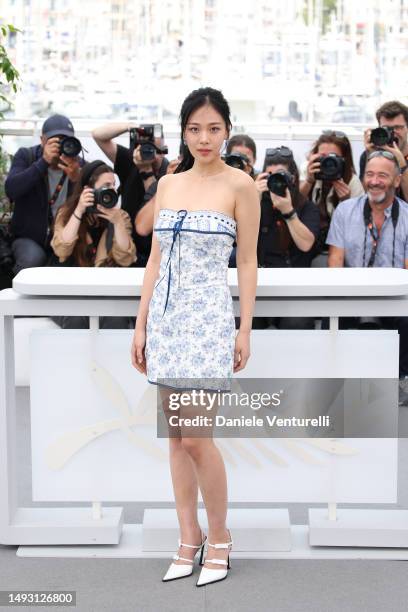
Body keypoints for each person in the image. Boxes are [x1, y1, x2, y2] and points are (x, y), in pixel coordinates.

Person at [130, 87, 259, 586]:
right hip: (165, 321)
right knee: (176, 440)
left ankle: (221, 536)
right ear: (183, 132)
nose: (204, 138)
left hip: (208, 321)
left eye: (213, 128)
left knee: (198, 437)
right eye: (194, 129)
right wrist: (140, 325)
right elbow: (154, 261)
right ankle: (188, 536)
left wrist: (243, 326)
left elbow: (247, 261)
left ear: (226, 129)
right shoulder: (169, 184)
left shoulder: (240, 185)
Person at [326, 150, 408, 403]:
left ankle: (400, 379)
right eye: (370, 174)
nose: (374, 181)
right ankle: (341, 383)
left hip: (395, 297)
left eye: (383, 175)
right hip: (352, 293)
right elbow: (335, 262)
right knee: (337, 316)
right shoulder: (345, 210)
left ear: (397, 180)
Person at [50, 160, 136, 329]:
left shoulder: (121, 216)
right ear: (88, 189)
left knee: (115, 321)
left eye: (113, 185)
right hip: (72, 291)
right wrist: (79, 210)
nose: (111, 190)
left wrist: (117, 223)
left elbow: (126, 259)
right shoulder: (67, 212)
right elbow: (62, 249)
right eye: (105, 185)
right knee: (75, 320)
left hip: (106, 291)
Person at [5, 114, 85, 276]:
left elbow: (90, 204)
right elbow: (12, 190)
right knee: (32, 259)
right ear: (42, 140)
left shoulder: (79, 165)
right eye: (56, 141)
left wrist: (77, 179)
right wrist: (43, 162)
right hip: (29, 237)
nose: (62, 146)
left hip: (64, 236)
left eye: (66, 140)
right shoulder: (26, 156)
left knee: (74, 262)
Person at [253, 146, 320, 329]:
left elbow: (306, 244)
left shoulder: (306, 207)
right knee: (243, 321)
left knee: (297, 323)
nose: (276, 181)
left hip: (294, 290)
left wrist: (288, 212)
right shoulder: (257, 205)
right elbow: (236, 239)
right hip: (260, 289)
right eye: (270, 176)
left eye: (281, 176)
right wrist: (251, 200)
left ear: (293, 178)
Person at [92, 122, 169, 267]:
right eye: (147, 148)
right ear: (137, 148)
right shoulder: (129, 161)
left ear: (164, 149)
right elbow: (98, 135)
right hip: (126, 244)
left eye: (157, 150)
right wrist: (130, 126)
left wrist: (146, 171)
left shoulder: (170, 172)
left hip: (156, 250)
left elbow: (151, 211)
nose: (152, 154)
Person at [300, 130, 364, 266]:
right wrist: (308, 181)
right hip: (308, 239)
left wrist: (346, 203)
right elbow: (294, 204)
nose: (328, 162)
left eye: (333, 157)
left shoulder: (352, 182)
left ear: (344, 159)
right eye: (322, 156)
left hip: (338, 245)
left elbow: (358, 227)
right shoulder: (308, 170)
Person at [359, 100, 408, 202]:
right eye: (386, 128)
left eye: (397, 127)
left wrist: (402, 164)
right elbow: (366, 197)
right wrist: (371, 157)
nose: (392, 133)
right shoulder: (369, 155)